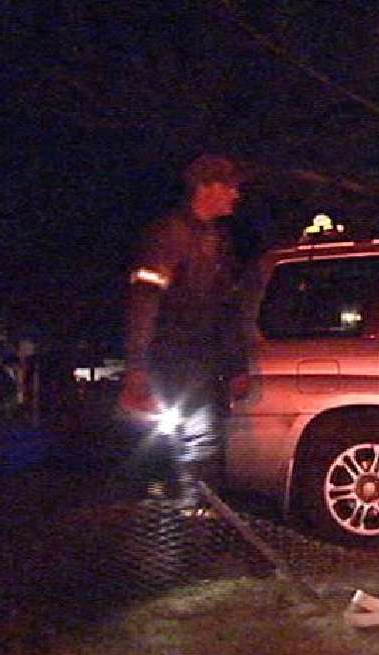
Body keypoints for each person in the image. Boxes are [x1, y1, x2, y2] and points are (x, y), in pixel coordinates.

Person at [118, 153, 250, 509]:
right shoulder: (167, 236)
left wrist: (237, 366)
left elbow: (228, 309)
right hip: (171, 361)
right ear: (206, 187)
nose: (237, 196)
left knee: (202, 449)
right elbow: (144, 302)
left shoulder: (219, 242)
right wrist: (137, 369)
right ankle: (183, 527)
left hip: (201, 363)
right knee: (188, 447)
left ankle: (194, 526)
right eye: (231, 187)